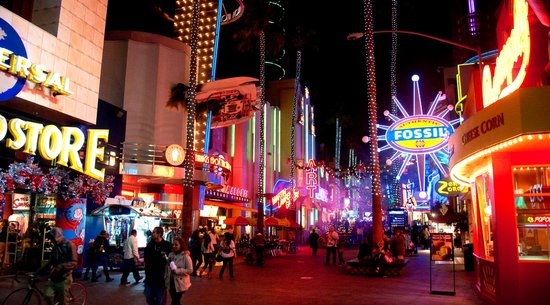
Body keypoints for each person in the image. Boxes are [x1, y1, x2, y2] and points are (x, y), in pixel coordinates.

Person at [37, 227, 77, 305]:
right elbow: (50, 261)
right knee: (47, 295)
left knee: (63, 302)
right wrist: (38, 272)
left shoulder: (70, 245)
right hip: (54, 277)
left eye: (52, 238)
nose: (51, 240)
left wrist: (61, 266)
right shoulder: (55, 246)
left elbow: (74, 262)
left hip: (64, 277)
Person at [143, 226, 172, 305]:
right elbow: (146, 259)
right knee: (149, 296)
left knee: (160, 299)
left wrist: (186, 251)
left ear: (159, 234)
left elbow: (175, 253)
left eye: (154, 232)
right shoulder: (150, 245)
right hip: (150, 275)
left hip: (161, 276)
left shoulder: (167, 245)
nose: (152, 233)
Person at [165, 237, 192, 305]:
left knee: (175, 301)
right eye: (173, 244)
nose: (174, 246)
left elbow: (190, 270)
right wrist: (166, 276)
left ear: (181, 245)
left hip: (180, 282)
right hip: (171, 282)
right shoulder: (171, 254)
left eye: (176, 245)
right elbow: (167, 266)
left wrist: (178, 271)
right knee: (175, 300)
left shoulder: (185, 256)